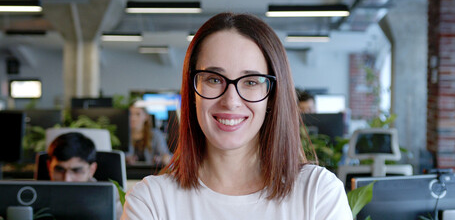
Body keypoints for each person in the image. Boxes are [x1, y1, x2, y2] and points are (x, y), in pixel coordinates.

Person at [121, 12, 351, 219]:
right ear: (192, 91)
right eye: (213, 79)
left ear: (272, 96)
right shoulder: (151, 201)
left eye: (251, 82)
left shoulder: (318, 193)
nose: (231, 100)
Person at [47, 132, 123, 219]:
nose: (67, 179)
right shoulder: (34, 194)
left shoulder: (111, 197)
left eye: (77, 171)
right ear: (49, 166)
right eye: (60, 170)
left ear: (92, 170)